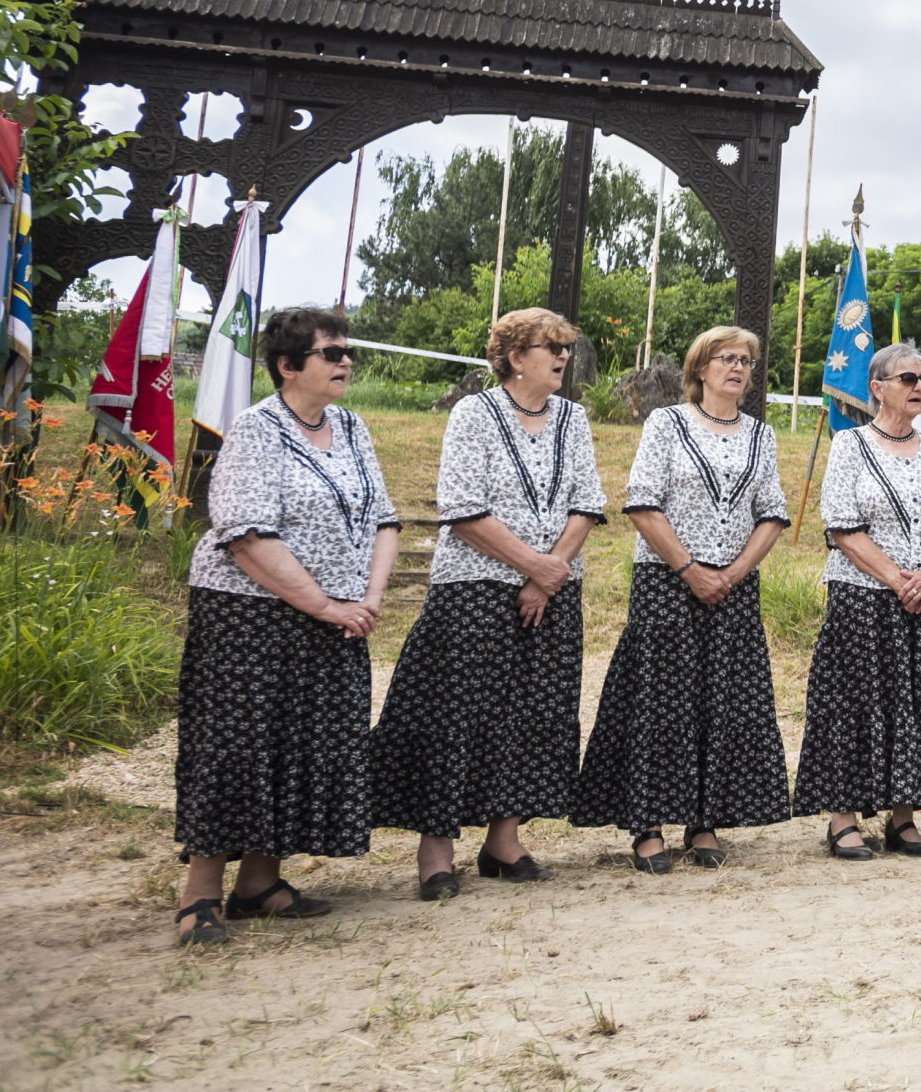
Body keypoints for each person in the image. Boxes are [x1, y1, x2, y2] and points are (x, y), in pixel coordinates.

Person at [171, 308, 399, 947]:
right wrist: (325, 604)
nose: (345, 362)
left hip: (339, 618)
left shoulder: (351, 428)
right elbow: (244, 534)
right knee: (238, 746)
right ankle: (200, 896)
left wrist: (367, 599)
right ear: (288, 365)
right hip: (251, 616)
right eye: (331, 353)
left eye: (347, 351)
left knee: (304, 745)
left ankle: (260, 883)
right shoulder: (256, 430)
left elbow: (383, 518)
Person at [372, 309, 604, 898]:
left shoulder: (572, 419)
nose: (562, 357)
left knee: (535, 713)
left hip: (552, 591)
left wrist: (549, 575)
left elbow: (587, 501)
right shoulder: (474, 413)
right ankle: (436, 850)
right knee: (456, 715)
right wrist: (534, 565)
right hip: (474, 589)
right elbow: (462, 508)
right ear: (514, 355)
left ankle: (503, 841)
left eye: (565, 347)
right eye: (550, 346)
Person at [570, 325, 793, 872]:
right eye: (725, 358)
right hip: (669, 582)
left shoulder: (760, 436)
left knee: (722, 702)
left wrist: (734, 573)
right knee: (658, 702)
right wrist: (691, 570)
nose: (737, 368)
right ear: (699, 369)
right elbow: (642, 503)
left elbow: (772, 513)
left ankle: (704, 820)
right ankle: (647, 824)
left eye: (745, 360)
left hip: (734, 589)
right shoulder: (666, 424)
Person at [795, 343, 921, 860]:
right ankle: (843, 820)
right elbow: (842, 527)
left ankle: (904, 817)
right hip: (866, 596)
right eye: (906, 379)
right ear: (877, 388)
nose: (919, 387)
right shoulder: (851, 445)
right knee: (852, 705)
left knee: (919, 704)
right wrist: (900, 580)